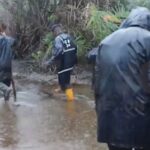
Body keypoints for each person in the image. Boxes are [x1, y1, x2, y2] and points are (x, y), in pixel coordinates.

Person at [95, 7, 150, 150]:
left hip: (109, 120)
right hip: (139, 123)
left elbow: (96, 84)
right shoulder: (147, 39)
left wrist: (101, 113)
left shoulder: (106, 41)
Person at [44, 24, 77, 94]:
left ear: (54, 32)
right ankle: (62, 90)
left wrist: (49, 62)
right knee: (66, 78)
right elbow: (75, 47)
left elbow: (58, 51)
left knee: (65, 82)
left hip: (64, 62)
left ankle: (70, 101)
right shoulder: (68, 36)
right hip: (71, 61)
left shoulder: (58, 39)